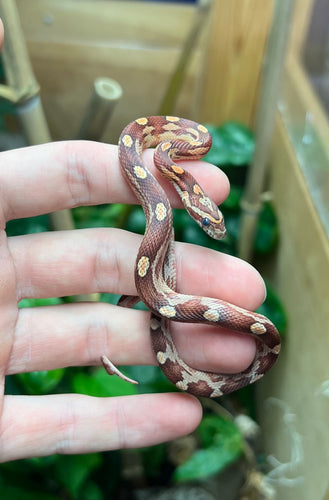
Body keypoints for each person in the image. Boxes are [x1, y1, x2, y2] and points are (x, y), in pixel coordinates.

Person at [0, 20, 268, 462]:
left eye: (212, 223)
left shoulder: (186, 151)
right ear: (192, 198)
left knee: (164, 297)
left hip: (164, 212)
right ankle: (152, 306)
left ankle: (159, 310)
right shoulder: (159, 167)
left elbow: (190, 145)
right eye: (209, 223)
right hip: (161, 196)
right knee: (159, 284)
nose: (213, 228)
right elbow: (153, 159)